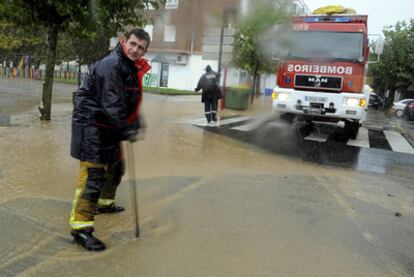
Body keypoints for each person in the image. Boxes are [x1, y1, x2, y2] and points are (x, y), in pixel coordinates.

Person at [69, 28, 151, 251]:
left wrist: (134, 122)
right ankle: (81, 229)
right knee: (92, 177)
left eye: (140, 47)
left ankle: (104, 204)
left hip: (107, 126)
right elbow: (113, 103)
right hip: (92, 125)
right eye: (132, 44)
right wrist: (126, 129)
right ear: (124, 42)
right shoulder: (111, 65)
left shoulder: (129, 67)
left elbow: (127, 101)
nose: (135, 49)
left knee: (116, 166)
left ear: (145, 50)